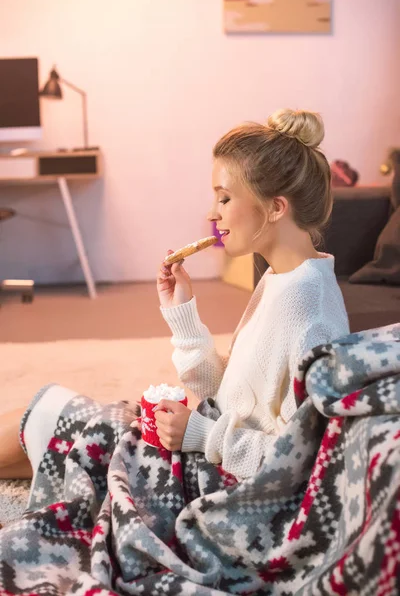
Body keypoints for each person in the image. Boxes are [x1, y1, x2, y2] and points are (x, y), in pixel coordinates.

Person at [0, 108, 349, 483]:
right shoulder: (283, 280)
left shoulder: (309, 311)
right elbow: (227, 394)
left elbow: (304, 463)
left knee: (53, 417)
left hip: (214, 479)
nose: (213, 214)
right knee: (58, 429)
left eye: (225, 198)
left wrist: (200, 435)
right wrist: (182, 313)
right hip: (206, 448)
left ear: (276, 207)